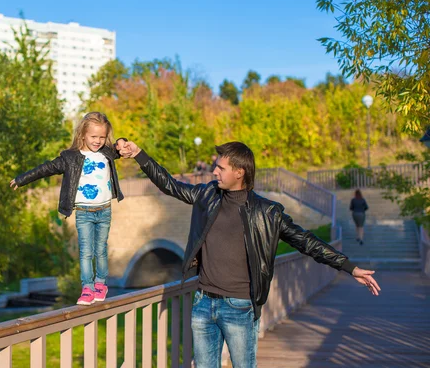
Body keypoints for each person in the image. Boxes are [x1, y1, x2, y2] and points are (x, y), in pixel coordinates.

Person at [116, 140, 381, 368]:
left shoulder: (267, 212)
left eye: (221, 167)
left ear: (239, 172)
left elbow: (306, 242)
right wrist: (139, 154)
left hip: (239, 307)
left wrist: (349, 267)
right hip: (203, 303)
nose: (214, 171)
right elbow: (169, 185)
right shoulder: (207, 195)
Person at [10, 112, 124, 306]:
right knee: (86, 251)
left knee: (101, 250)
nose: (98, 141)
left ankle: (100, 284)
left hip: (105, 210)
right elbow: (46, 168)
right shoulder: (70, 157)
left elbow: (120, 148)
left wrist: (123, 141)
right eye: (93, 137)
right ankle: (87, 288)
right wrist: (22, 179)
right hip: (83, 213)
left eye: (102, 137)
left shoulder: (107, 153)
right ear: (82, 135)